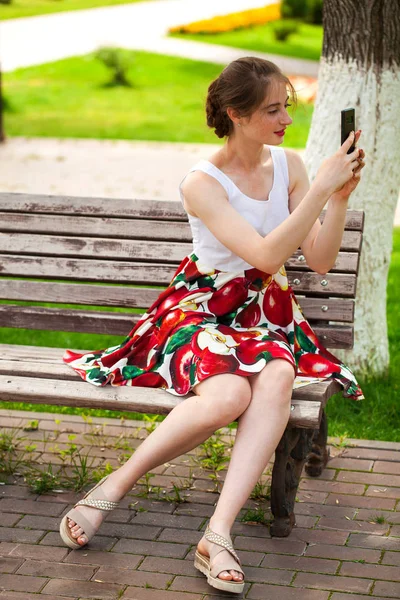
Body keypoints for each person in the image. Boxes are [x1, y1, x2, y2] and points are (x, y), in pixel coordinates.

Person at [59, 57, 365, 594]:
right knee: (226, 397)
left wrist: (336, 197)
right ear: (236, 114)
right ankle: (113, 485)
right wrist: (320, 188)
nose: (285, 120)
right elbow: (267, 254)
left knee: (274, 377)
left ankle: (217, 534)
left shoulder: (289, 167)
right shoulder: (203, 182)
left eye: (286, 108)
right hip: (199, 310)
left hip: (264, 315)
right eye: (273, 110)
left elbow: (317, 259)